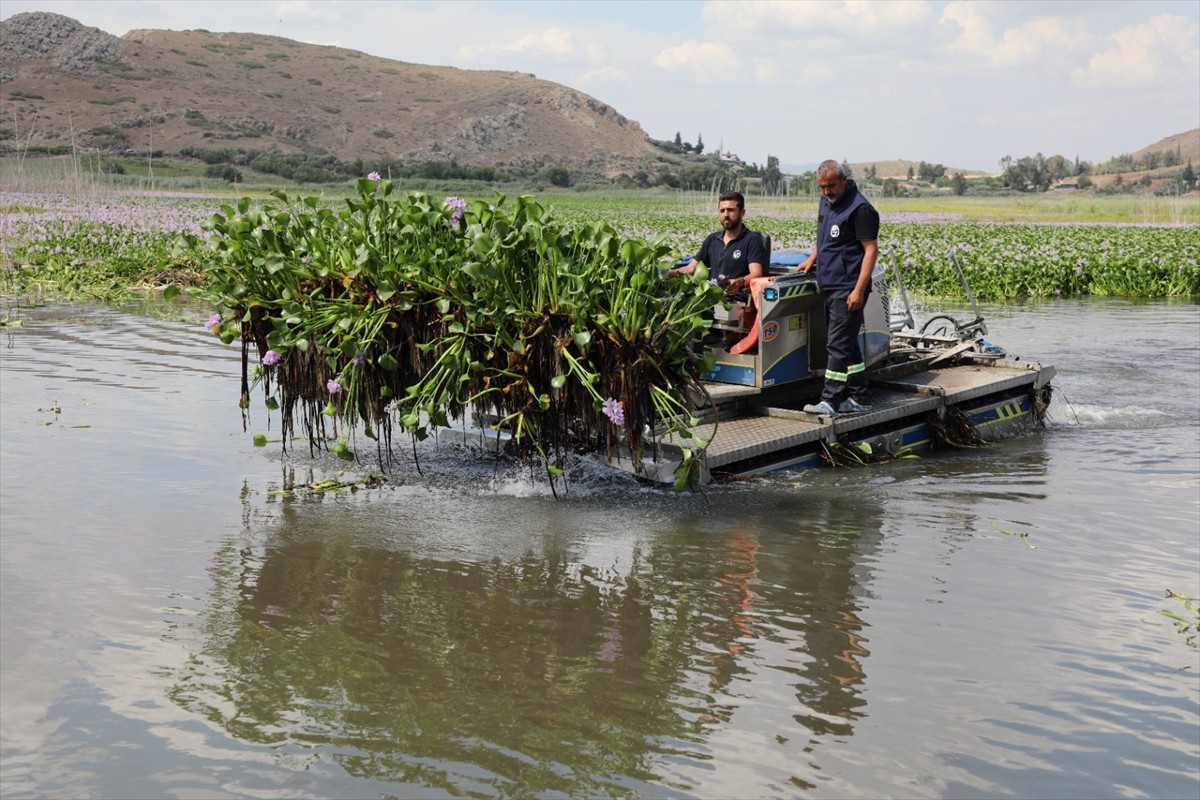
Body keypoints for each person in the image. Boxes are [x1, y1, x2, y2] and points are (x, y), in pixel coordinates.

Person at [796, 160, 880, 417]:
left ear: (844, 180)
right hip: (830, 284)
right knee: (847, 344)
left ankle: (830, 401)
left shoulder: (861, 209)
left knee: (836, 346)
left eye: (831, 186)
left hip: (848, 287)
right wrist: (813, 258)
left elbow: (870, 250)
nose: (826, 192)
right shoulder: (827, 202)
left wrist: (858, 290)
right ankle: (860, 397)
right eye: (822, 187)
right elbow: (826, 238)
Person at [667, 191, 766, 297]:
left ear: (742, 212)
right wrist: (667, 273)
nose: (726, 215)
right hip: (710, 296)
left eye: (731, 210)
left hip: (735, 300)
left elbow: (756, 274)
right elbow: (691, 269)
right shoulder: (712, 239)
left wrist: (738, 282)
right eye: (722, 211)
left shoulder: (752, 240)